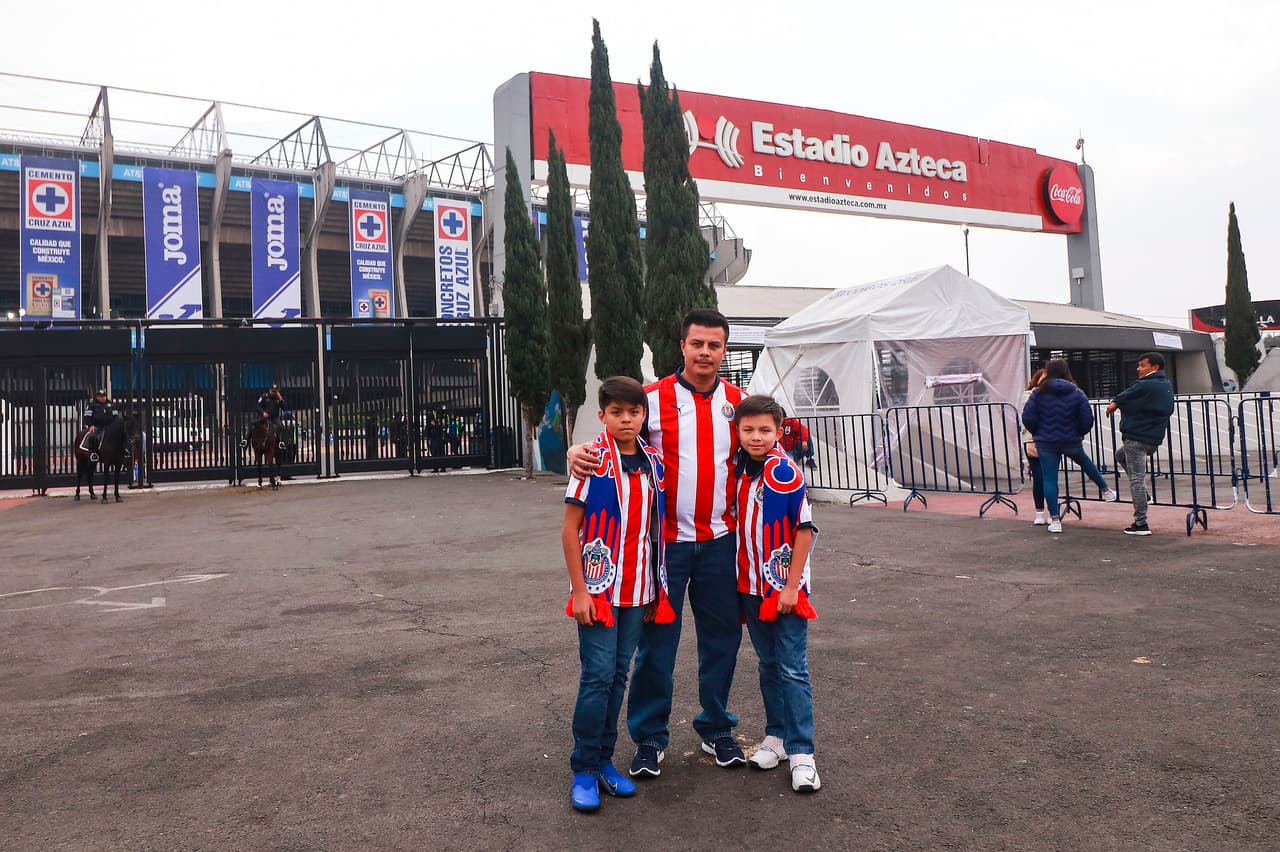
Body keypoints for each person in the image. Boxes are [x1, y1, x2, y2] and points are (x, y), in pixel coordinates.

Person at [568, 308, 748, 777]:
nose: (705, 352)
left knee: (722, 640)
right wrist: (575, 449)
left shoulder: (740, 404)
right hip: (662, 548)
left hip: (720, 541)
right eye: (697, 343)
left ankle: (717, 729)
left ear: (724, 349)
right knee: (656, 646)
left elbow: (766, 452)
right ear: (682, 346)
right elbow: (613, 434)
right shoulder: (651, 398)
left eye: (715, 344)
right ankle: (649, 738)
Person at [561, 376, 676, 812]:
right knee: (596, 677)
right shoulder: (590, 461)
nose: (626, 420)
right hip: (599, 590)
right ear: (603, 415)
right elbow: (570, 531)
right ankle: (584, 768)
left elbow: (653, 529)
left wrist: (655, 592)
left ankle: (606, 761)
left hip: (640, 591)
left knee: (618, 677)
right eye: (617, 412)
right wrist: (582, 592)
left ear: (643, 416)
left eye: (634, 412)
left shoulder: (653, 463)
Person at [731, 394, 822, 793]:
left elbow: (804, 530)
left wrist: (790, 586)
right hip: (751, 586)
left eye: (764, 430)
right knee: (768, 664)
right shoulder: (740, 470)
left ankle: (803, 752)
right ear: (737, 432)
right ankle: (777, 736)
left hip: (783, 588)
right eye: (748, 429)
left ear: (779, 431)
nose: (756, 437)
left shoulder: (784, 472)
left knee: (792, 667)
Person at [1021, 359, 1118, 533]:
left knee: (1049, 479)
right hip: (1071, 440)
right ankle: (1106, 490)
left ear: (1048, 372)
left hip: (1046, 442)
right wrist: (1079, 432)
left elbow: (1028, 417)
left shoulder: (1037, 393)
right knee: (1085, 462)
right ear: (1066, 371)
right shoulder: (1077, 392)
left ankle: (1055, 520)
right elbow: (1087, 418)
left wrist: (1037, 432)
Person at [1106, 352, 1175, 536]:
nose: (1138, 368)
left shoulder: (1146, 384)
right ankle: (1144, 495)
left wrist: (1115, 403)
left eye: (1143, 365)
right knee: (1120, 455)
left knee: (1137, 478)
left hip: (1137, 436)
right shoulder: (1165, 385)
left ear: (1155, 367)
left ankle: (1141, 523)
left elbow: (1125, 395)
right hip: (1152, 438)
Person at [1021, 369, 1050, 526]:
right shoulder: (1029, 395)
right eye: (1043, 379)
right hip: (1032, 439)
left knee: (1050, 478)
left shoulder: (1054, 395)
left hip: (1050, 439)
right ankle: (1039, 512)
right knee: (1039, 478)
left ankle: (1053, 512)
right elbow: (1028, 416)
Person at [243, 385, 291, 450]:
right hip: (264, 417)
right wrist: (263, 412)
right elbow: (258, 406)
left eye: (275, 391)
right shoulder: (264, 396)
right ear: (269, 390)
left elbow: (284, 408)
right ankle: (246, 441)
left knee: (280, 426)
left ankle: (281, 442)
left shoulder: (278, 398)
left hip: (274, 417)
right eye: (272, 391)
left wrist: (281, 399)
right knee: (252, 424)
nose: (273, 392)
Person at [79, 389, 121, 462]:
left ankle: (122, 451)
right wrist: (90, 425)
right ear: (97, 397)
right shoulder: (92, 405)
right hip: (97, 426)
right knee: (93, 437)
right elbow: (87, 416)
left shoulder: (111, 404)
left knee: (121, 436)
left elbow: (115, 416)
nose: (103, 398)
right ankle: (94, 453)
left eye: (104, 396)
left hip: (109, 427)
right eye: (101, 396)